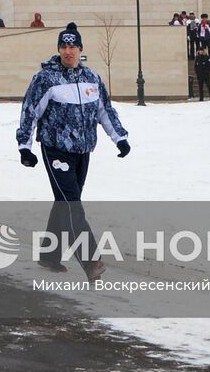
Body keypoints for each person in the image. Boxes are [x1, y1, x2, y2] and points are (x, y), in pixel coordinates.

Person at [16, 23, 130, 276]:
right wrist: (25, 146)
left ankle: (48, 255)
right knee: (72, 205)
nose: (68, 52)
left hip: (83, 151)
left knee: (65, 202)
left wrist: (119, 138)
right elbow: (29, 112)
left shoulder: (91, 78)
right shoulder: (46, 79)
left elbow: (105, 111)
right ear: (58, 49)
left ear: (80, 49)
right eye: (64, 47)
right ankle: (91, 262)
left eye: (73, 47)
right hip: (55, 149)